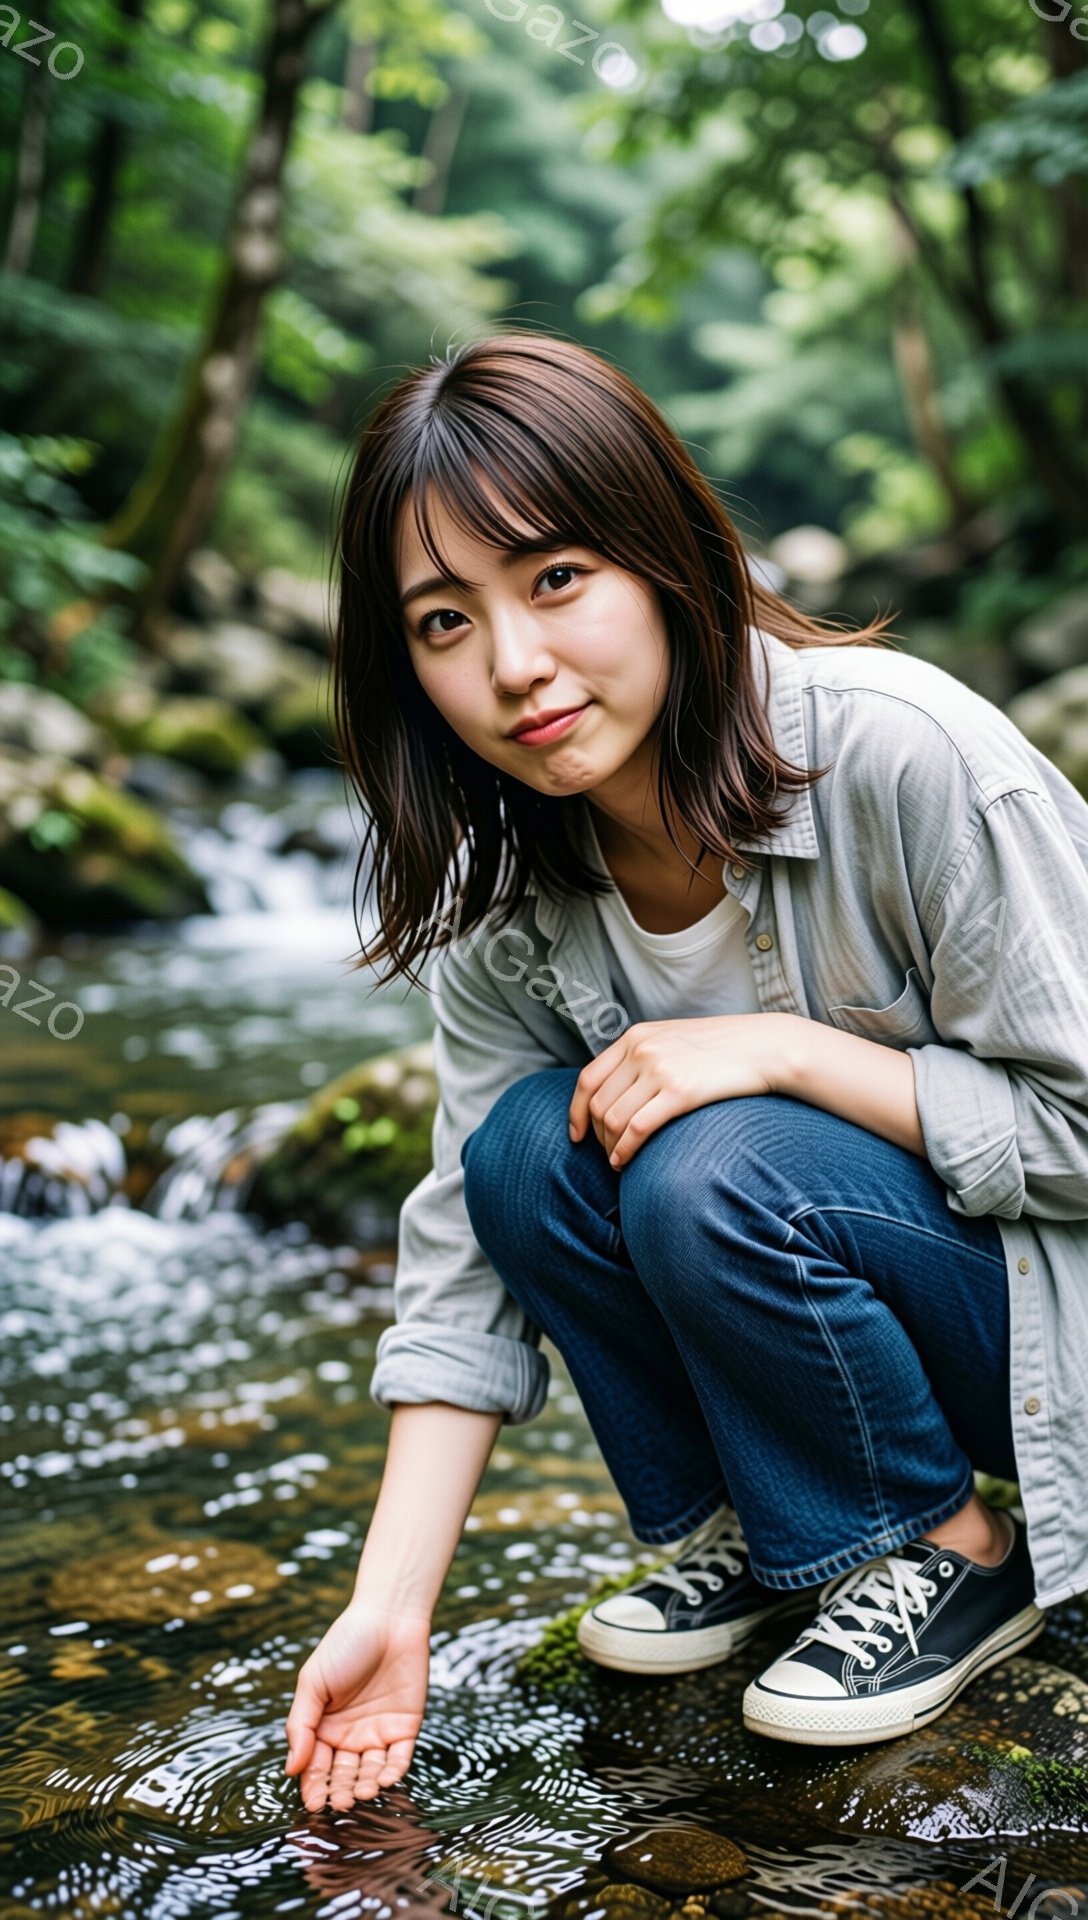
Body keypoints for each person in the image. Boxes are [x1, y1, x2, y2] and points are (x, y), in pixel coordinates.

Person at [284, 329, 1088, 1807]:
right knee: (525, 1149)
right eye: (444, 622)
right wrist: (391, 1606)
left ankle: (956, 1552)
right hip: (871, 1309)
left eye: (557, 579)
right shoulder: (507, 891)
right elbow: (469, 1247)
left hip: (1049, 1346)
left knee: (711, 1150)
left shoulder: (906, 756)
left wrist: (790, 1052)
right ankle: (777, 1523)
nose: (515, 664)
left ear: (662, 554)